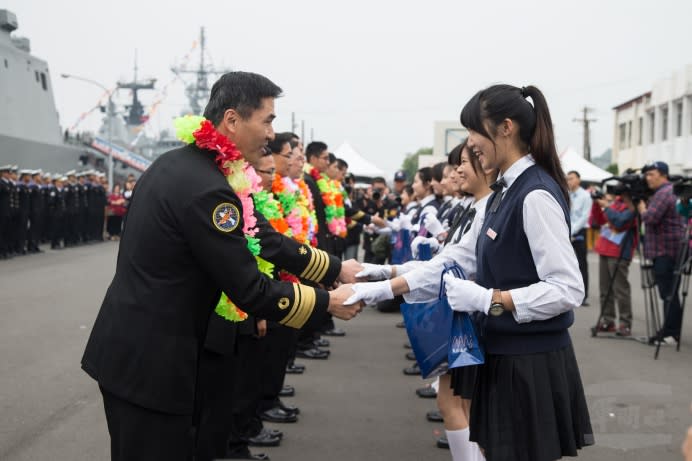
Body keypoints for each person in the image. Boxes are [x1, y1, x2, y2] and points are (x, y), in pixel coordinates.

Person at [80, 71, 363, 461]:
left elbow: (265, 237)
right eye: (267, 120)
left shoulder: (186, 167)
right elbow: (251, 289)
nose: (270, 134)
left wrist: (335, 269)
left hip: (140, 351)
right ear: (232, 120)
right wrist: (326, 303)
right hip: (152, 364)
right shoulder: (209, 189)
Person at [441, 84, 593, 461]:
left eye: (475, 131)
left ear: (505, 128)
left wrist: (490, 299)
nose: (470, 144)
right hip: (505, 354)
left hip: (529, 362)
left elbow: (567, 288)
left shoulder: (534, 194)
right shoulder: (505, 191)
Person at [346, 140, 494, 460]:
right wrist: (382, 273)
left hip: (474, 313)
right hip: (461, 308)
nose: (454, 174)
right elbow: (442, 261)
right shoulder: (471, 207)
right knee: (457, 401)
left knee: (458, 402)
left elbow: (448, 263)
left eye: (463, 164)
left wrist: (382, 284)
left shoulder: (489, 208)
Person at [638, 161, 686, 344]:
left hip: (665, 251)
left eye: (651, 174)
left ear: (663, 175)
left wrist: (642, 209)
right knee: (670, 292)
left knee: (668, 293)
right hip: (672, 249)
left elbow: (651, 218)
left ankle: (670, 333)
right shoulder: (670, 191)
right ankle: (671, 330)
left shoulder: (664, 193)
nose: (647, 178)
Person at [590, 191, 638, 336]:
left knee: (620, 290)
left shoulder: (631, 205)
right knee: (605, 289)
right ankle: (608, 320)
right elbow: (597, 221)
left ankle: (625, 323)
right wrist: (597, 204)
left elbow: (620, 222)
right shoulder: (614, 203)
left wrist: (607, 207)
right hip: (605, 248)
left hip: (620, 251)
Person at [567, 170, 592, 305]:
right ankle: (569, 292)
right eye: (567, 179)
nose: (569, 181)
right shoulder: (566, 194)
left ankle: (584, 296)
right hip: (566, 232)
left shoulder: (585, 196)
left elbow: (584, 217)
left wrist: (572, 231)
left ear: (578, 180)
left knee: (582, 264)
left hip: (580, 232)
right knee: (568, 264)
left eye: (571, 178)